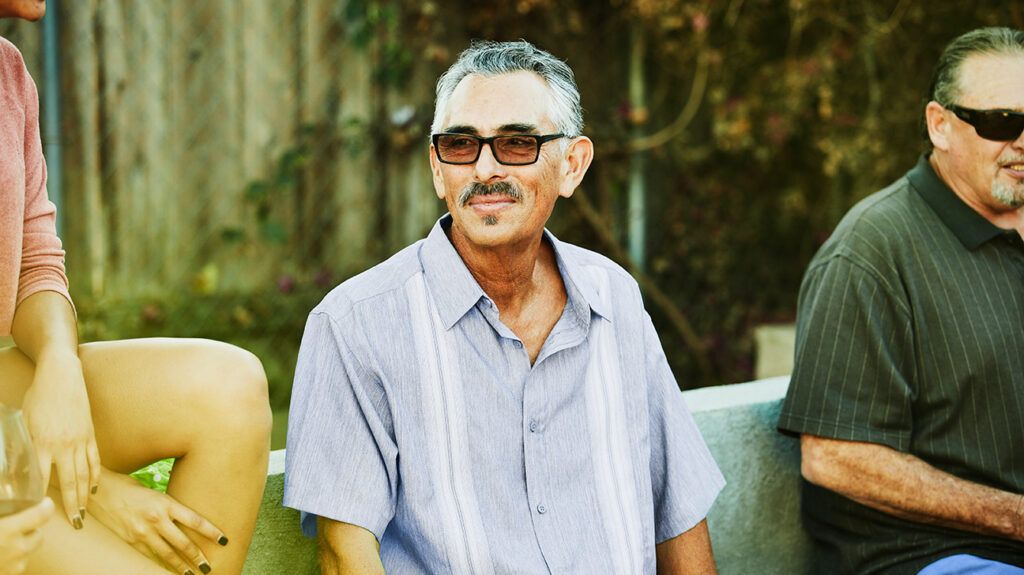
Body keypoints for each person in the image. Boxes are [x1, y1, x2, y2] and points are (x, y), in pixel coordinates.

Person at [284, 40, 726, 574]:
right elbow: (344, 556)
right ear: (436, 168)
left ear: (572, 166)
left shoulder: (615, 298)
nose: (484, 168)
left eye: (517, 143)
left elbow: (676, 515)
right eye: (460, 144)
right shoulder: (354, 326)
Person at [1, 2, 272, 574]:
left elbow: (35, 261)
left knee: (229, 388)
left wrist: (57, 364)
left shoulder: (8, 73)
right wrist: (96, 487)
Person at [779, 27, 1024, 575]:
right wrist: (1015, 517)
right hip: (931, 558)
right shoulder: (871, 251)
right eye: (1003, 122)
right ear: (940, 125)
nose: (1023, 140)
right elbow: (836, 459)